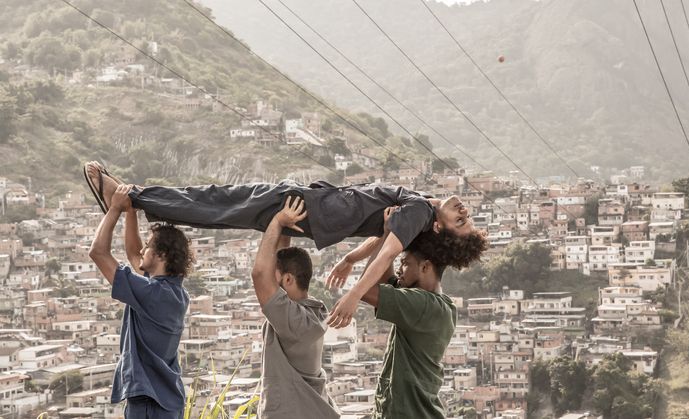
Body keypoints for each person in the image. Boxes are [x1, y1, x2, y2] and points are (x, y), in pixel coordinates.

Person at [83, 161, 485, 326]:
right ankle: (133, 199)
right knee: (220, 208)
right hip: (313, 211)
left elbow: (386, 256)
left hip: (305, 206)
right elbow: (382, 242)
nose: (462, 209)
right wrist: (348, 258)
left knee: (217, 202)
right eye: (467, 215)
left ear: (440, 229)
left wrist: (351, 296)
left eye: (461, 221)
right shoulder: (415, 213)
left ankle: (131, 195)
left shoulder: (418, 211)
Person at [352, 208, 481, 418]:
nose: (400, 269)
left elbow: (365, 288)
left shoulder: (423, 305)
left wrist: (387, 237)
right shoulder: (438, 304)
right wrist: (387, 237)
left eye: (405, 263)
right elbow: (382, 279)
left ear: (425, 267)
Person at [88, 174, 192, 419]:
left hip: (149, 403)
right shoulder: (174, 292)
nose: (143, 249)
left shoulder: (153, 294)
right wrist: (130, 210)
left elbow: (98, 252)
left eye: (149, 245)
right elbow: (136, 258)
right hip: (164, 401)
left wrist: (114, 209)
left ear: (161, 255)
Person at [251, 196, 340, 418]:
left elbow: (259, 274)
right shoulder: (311, 312)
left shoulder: (295, 322)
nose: (270, 284)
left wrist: (278, 221)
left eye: (276, 277)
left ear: (288, 280)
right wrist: (286, 228)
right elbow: (276, 262)